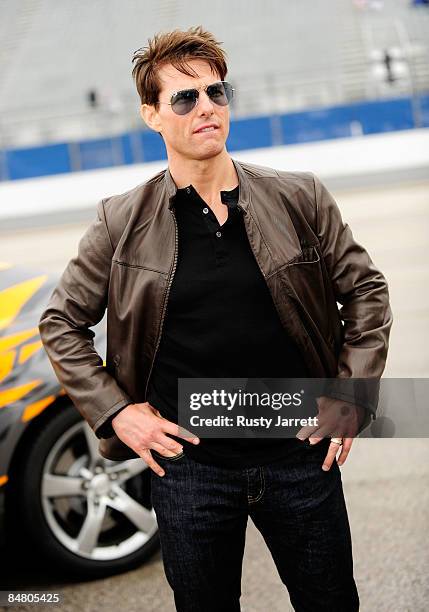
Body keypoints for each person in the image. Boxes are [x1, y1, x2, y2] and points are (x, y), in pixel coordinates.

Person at [38, 25, 392, 612]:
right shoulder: (119, 221)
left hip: (300, 458)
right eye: (185, 97)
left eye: (217, 93)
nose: (207, 107)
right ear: (152, 114)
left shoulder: (298, 197)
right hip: (189, 471)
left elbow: (367, 292)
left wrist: (352, 391)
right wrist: (119, 414)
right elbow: (61, 323)